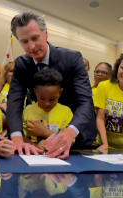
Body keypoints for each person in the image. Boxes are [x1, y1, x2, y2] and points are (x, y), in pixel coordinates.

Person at [7, 11, 96, 159]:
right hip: (39, 141)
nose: (32, 46)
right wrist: (17, 137)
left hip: (76, 136)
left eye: (35, 38)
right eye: (24, 41)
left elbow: (85, 101)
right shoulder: (22, 64)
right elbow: (14, 100)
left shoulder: (72, 59)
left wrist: (68, 133)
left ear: (46, 33)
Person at [22, 69, 73, 151]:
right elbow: (21, 137)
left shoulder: (66, 112)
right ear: (35, 92)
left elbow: (70, 140)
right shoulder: (28, 110)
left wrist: (44, 131)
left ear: (60, 93)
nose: (47, 104)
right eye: (42, 98)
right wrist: (35, 145)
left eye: (52, 99)